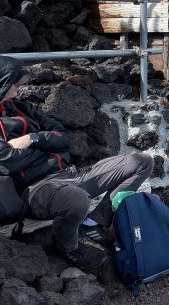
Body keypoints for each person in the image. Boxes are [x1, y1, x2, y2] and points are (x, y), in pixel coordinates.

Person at [0, 57, 154, 272]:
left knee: (142, 162)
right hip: (35, 189)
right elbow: (9, 161)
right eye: (14, 82)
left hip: (69, 174)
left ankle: (94, 222)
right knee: (77, 199)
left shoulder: (22, 108)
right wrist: (51, 151)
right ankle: (69, 247)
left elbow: (65, 137)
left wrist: (32, 140)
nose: (18, 86)